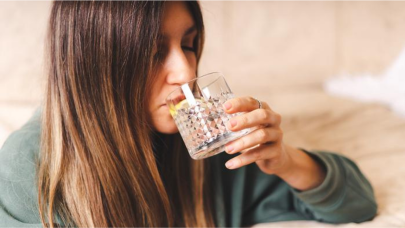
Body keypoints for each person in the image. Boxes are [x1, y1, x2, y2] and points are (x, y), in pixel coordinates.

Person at [0, 1, 377, 227]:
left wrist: (287, 161)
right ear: (94, 64)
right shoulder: (30, 166)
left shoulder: (209, 145)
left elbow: (359, 204)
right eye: (153, 51)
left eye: (189, 44)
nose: (185, 72)